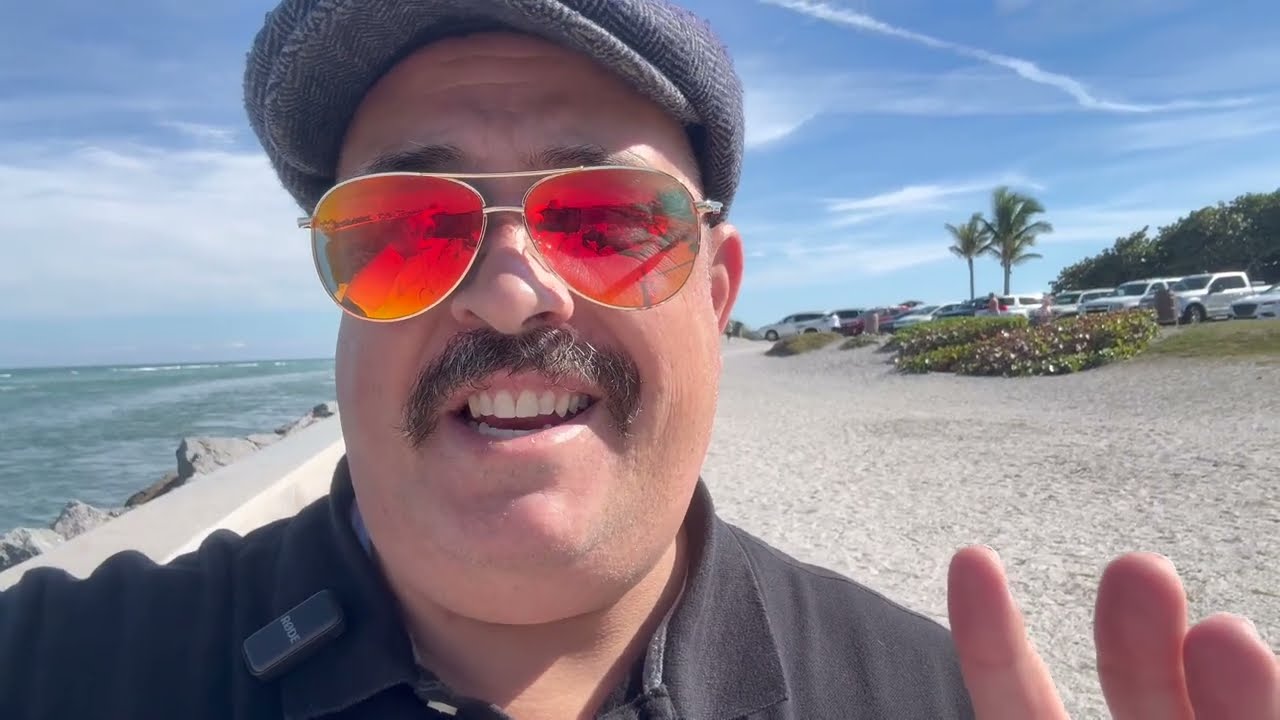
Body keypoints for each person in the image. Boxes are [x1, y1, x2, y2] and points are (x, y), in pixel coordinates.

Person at [1, 1, 1275, 718]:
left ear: (716, 292)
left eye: (605, 222)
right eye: (404, 230)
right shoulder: (59, 670)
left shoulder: (920, 700)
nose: (509, 295)